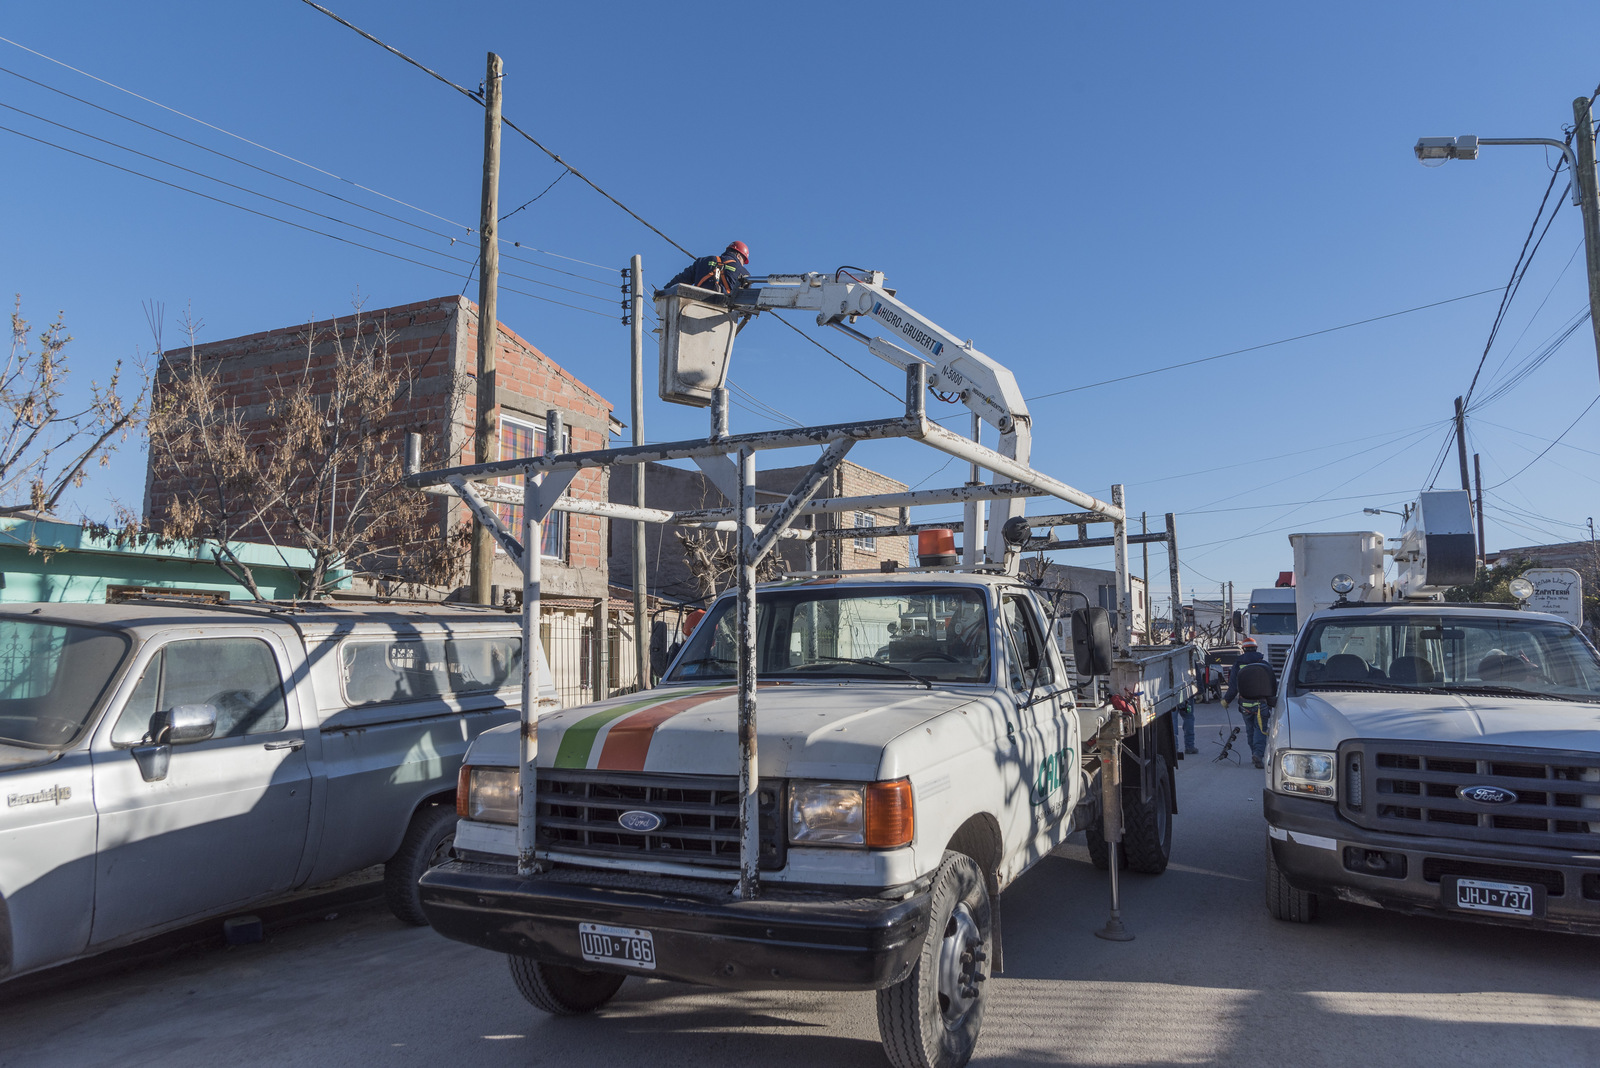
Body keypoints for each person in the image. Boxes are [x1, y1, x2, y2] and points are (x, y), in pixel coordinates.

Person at [1224, 637, 1275, 769]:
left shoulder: (1238, 664)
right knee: (1261, 730)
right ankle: (1258, 754)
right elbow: (1272, 684)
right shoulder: (1264, 663)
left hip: (1245, 705)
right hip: (1261, 705)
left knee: (1250, 730)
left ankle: (1254, 753)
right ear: (1256, 648)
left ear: (1243, 649)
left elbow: (1233, 686)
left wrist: (1226, 700)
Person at [666, 241, 751, 294]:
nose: (742, 264)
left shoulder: (702, 261)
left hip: (695, 304)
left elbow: (682, 278)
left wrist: (664, 291)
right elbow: (747, 300)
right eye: (743, 261)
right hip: (723, 311)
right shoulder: (743, 273)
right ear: (738, 256)